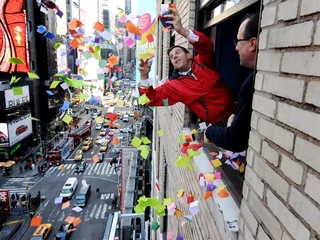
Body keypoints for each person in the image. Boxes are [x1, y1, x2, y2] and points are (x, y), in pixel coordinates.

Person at [138, 8, 234, 125]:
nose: (174, 57)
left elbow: (206, 45)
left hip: (235, 107)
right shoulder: (174, 86)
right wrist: (144, 76)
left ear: (188, 55)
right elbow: (148, 99)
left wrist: (182, 31)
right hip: (219, 123)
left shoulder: (202, 62)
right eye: (172, 57)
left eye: (177, 52)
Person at [205, 13, 260, 152]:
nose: (235, 48)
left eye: (238, 41)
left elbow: (235, 139)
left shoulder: (252, 83)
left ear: (252, 43)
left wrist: (209, 132)